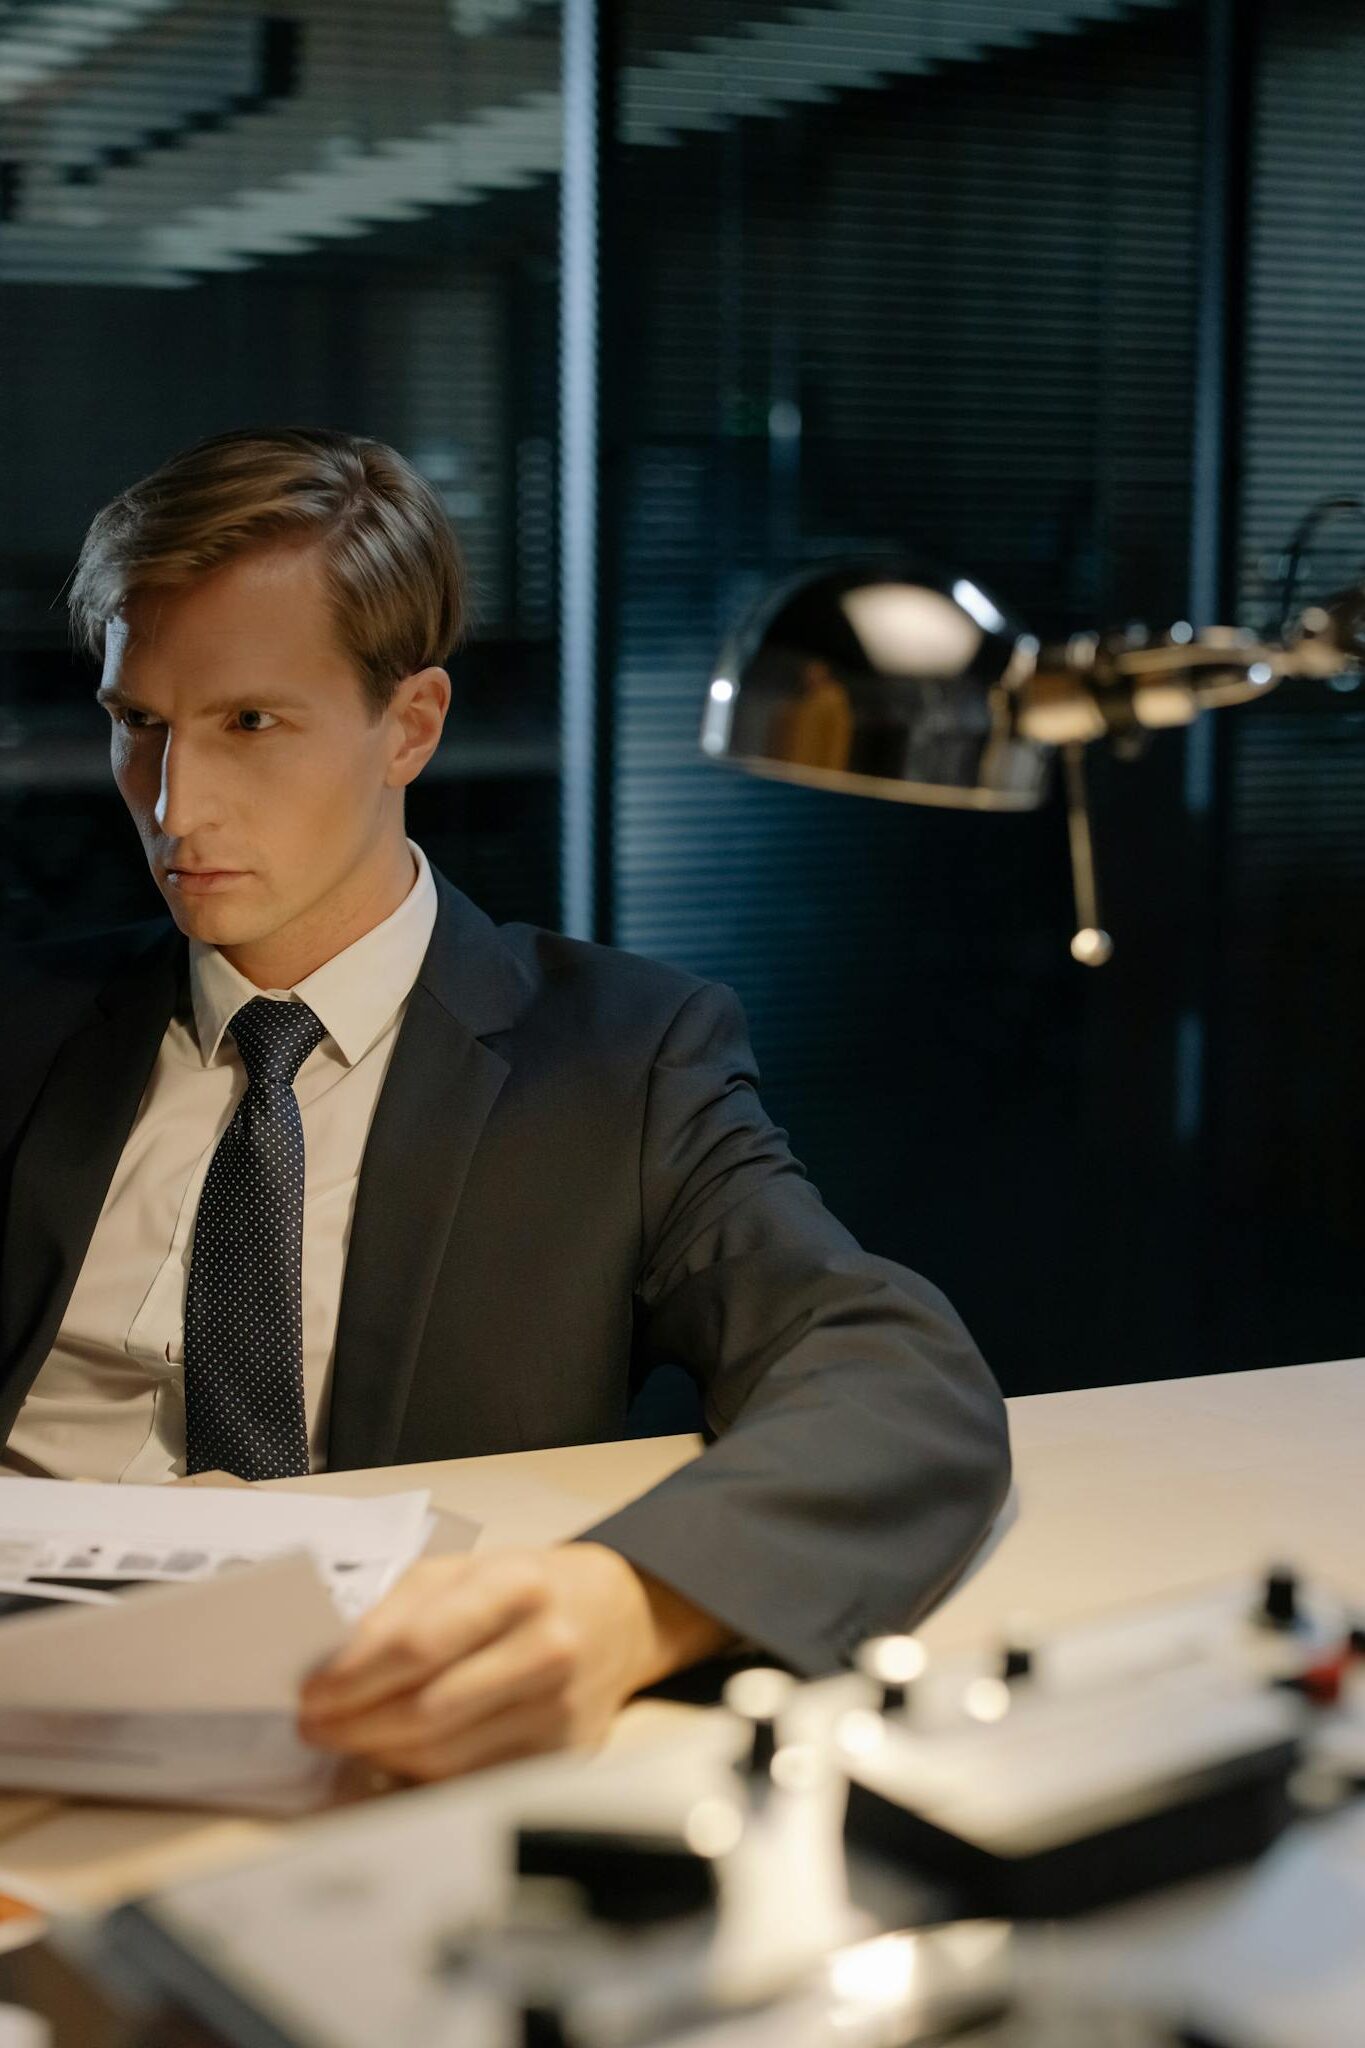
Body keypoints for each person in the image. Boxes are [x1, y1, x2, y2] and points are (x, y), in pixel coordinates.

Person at [1, 428, 1010, 1783]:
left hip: (371, 1735)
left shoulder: (620, 1056)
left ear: (408, 726)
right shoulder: (29, 1024)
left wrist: (627, 1601)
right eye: (140, 725)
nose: (175, 805)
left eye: (250, 721)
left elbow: (890, 1375)